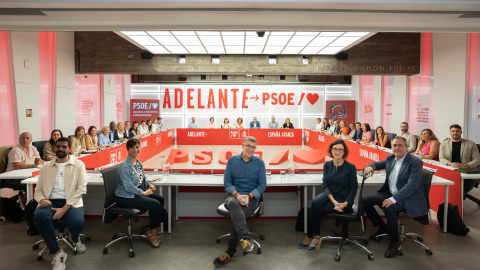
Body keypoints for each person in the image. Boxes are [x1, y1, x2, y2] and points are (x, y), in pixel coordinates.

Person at [363, 136, 427, 258]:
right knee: (365, 201)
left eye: (400, 145)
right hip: (390, 192)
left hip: (408, 197)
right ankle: (383, 227)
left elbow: (411, 186)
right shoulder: (391, 157)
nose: (397, 148)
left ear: (406, 147)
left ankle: (395, 239)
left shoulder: (415, 162)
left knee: (388, 207)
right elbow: (378, 163)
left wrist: (393, 199)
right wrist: (371, 166)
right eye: (394, 145)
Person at [34, 137, 87, 270]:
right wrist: (41, 200)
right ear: (54, 148)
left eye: (64, 147)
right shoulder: (46, 166)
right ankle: (58, 253)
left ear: (69, 149)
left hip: (71, 201)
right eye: (58, 146)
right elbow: (38, 189)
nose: (61, 149)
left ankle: (75, 239)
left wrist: (64, 209)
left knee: (77, 222)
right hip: (50, 201)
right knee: (39, 217)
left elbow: (81, 188)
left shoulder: (78, 164)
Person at [213, 136, 267, 267]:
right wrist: (237, 195)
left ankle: (229, 253)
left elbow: (262, 185)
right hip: (233, 195)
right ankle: (245, 238)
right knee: (233, 204)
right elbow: (227, 182)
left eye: (253, 147)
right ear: (242, 146)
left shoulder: (259, 163)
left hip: (251, 198)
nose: (250, 149)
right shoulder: (232, 160)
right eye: (248, 146)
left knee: (238, 215)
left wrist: (248, 195)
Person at [298, 139, 357, 252]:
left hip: (344, 199)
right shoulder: (327, 164)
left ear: (344, 152)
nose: (337, 151)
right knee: (315, 203)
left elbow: (353, 188)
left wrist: (344, 203)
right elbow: (325, 185)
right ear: (331, 150)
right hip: (330, 195)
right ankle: (314, 236)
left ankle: (313, 237)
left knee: (315, 209)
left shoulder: (350, 167)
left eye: (340, 149)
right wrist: (333, 201)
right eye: (335, 149)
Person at [116, 138, 164, 248]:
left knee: (160, 199)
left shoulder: (137, 162)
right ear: (127, 149)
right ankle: (153, 233)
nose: (135, 149)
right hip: (125, 196)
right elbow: (128, 187)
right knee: (155, 204)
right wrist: (143, 193)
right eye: (132, 147)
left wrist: (149, 184)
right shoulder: (124, 165)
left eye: (137, 147)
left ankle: (157, 229)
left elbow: (141, 179)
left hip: (135, 193)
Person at [439, 124, 480, 198]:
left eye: (457, 131)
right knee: (444, 188)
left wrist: (466, 165)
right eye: (453, 131)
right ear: (450, 132)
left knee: (459, 191)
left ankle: (455, 207)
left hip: (468, 171)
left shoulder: (471, 144)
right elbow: (441, 158)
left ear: (461, 132)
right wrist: (450, 163)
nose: (455, 133)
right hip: (451, 169)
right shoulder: (444, 144)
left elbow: (477, 160)